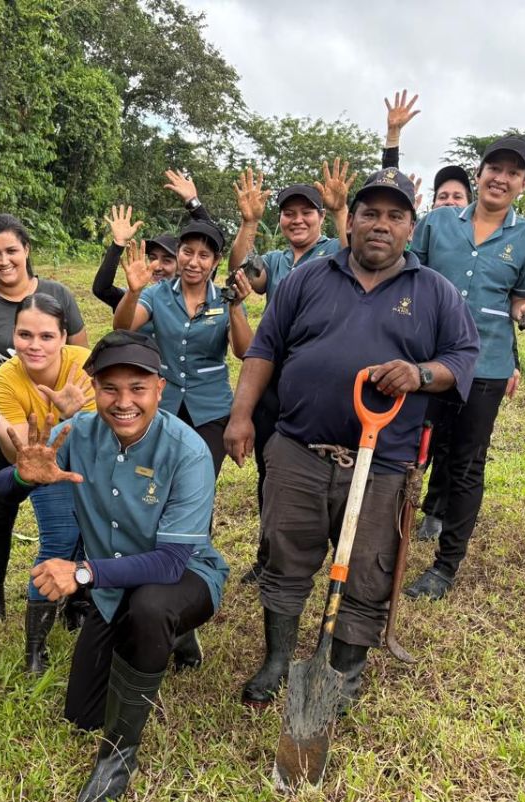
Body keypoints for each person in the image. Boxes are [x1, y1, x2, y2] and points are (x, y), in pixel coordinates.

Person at [224, 169, 479, 708]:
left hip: (384, 459)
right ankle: (276, 659)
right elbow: (264, 349)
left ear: (412, 226)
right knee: (284, 555)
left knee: (366, 569)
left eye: (394, 215)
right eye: (370, 213)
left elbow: (461, 359)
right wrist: (241, 416)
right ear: (352, 221)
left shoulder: (434, 291)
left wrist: (420, 374)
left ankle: (343, 670)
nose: (380, 225)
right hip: (297, 449)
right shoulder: (306, 279)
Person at [0, 331, 228, 802]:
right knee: (81, 712)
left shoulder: (188, 452)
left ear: (159, 389)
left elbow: (169, 562)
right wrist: (21, 475)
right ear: (93, 387)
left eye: (137, 388)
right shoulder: (76, 431)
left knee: (150, 608)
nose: (123, 402)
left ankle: (118, 755)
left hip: (183, 576)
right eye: (110, 388)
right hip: (109, 584)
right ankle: (172, 639)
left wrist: (80, 574)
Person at [403, 136, 525, 601]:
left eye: (514, 172)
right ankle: (389, 542)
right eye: (495, 167)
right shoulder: (435, 223)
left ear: (524, 184)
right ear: (479, 173)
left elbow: (521, 299)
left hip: (487, 365)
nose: (502, 177)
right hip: (427, 362)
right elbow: (412, 277)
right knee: (409, 454)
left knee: (467, 463)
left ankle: (444, 566)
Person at [0, 293, 95, 673]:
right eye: (25, 335)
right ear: (14, 336)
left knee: (97, 538)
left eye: (46, 336)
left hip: (95, 466)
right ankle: (34, 651)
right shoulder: (7, 378)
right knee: (59, 540)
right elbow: (21, 460)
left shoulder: (84, 366)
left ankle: (81, 603)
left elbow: (108, 432)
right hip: (46, 468)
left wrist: (71, 419)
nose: (34, 345)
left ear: (64, 337)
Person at [0, 214, 88, 626]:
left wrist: (74, 408)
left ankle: (78, 596)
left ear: (26, 250)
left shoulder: (58, 294)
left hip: (65, 426)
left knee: (78, 509)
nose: (3, 260)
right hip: (6, 415)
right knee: (1, 506)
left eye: (11, 250)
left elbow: (83, 359)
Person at [228, 156, 355, 584]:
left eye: (307, 212)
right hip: (273, 376)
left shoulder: (336, 252)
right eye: (289, 212)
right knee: (271, 469)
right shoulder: (278, 261)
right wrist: (248, 225)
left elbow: (357, 248)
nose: (297, 219)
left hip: (321, 379)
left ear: (320, 216)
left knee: (326, 470)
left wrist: (342, 212)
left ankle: (338, 555)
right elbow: (242, 271)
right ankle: (269, 554)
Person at [112, 220, 252, 477]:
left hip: (211, 411)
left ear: (216, 260)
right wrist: (133, 292)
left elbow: (243, 351)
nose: (194, 262)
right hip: (164, 406)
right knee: (156, 482)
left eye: (204, 255)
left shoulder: (226, 298)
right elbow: (123, 327)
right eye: (187, 252)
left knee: (200, 484)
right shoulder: (157, 294)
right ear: (178, 252)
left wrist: (235, 309)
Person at [91, 170, 217, 311]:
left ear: (180, 265)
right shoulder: (138, 297)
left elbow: (212, 241)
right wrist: (118, 244)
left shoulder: (196, 297)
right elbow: (101, 289)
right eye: (152, 258)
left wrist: (193, 203)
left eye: (167, 260)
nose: (157, 267)